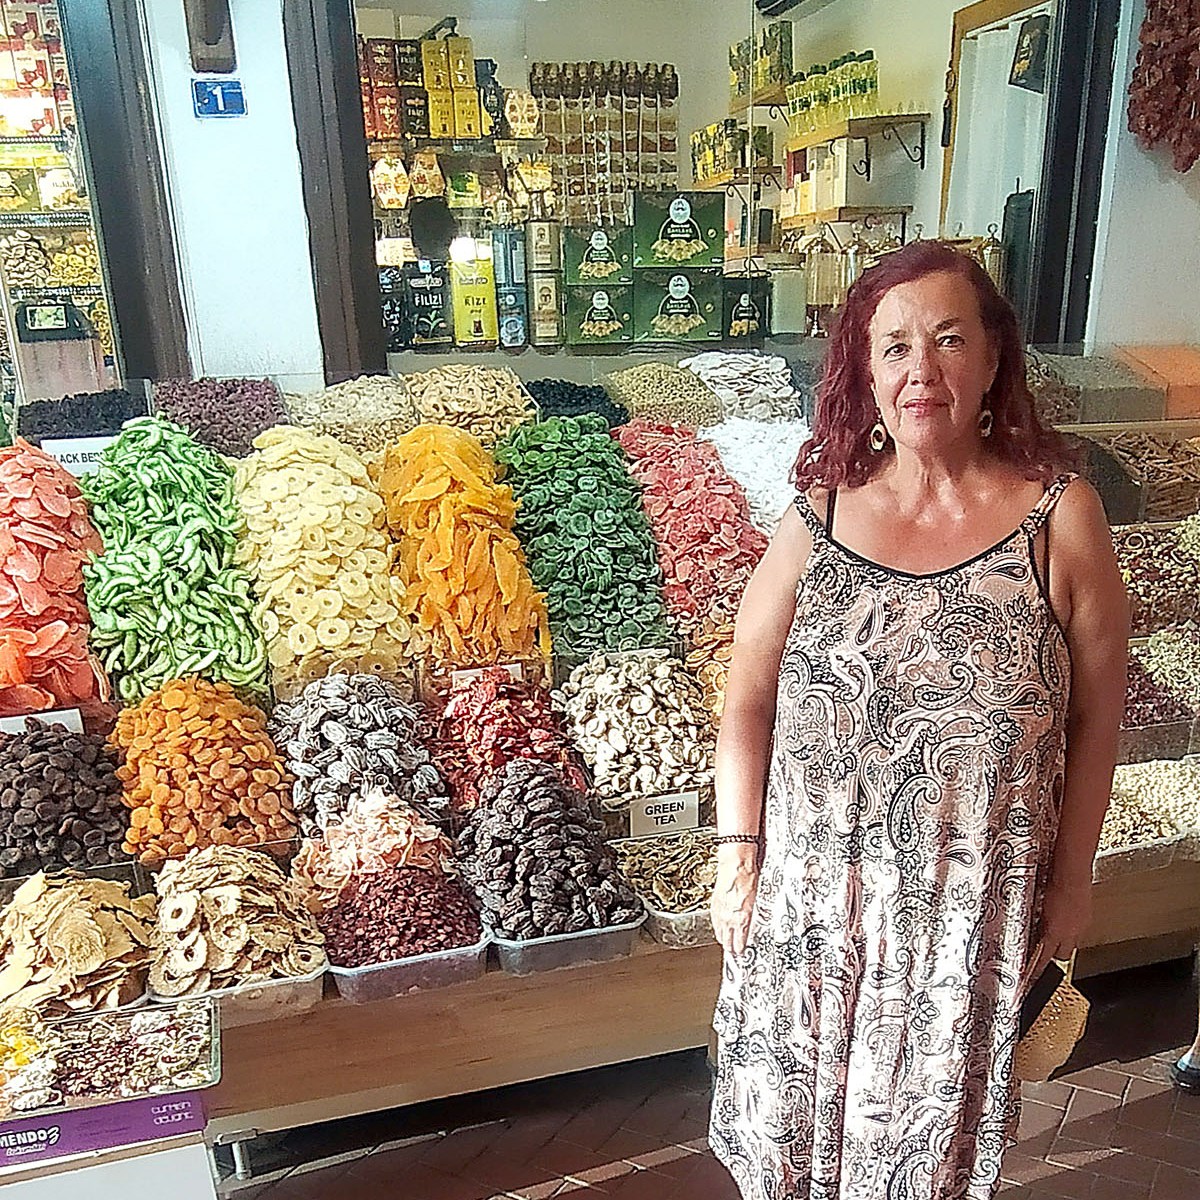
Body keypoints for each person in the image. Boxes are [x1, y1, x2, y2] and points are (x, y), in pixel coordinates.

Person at [708, 241, 1128, 1200]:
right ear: (865, 371)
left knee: (922, 1161)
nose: (920, 371)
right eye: (894, 347)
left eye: (948, 339)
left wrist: (1073, 882)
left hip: (963, 920)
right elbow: (748, 697)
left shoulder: (1060, 520)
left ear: (992, 358)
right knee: (790, 1148)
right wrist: (738, 859)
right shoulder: (816, 520)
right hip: (810, 913)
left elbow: (1097, 715)